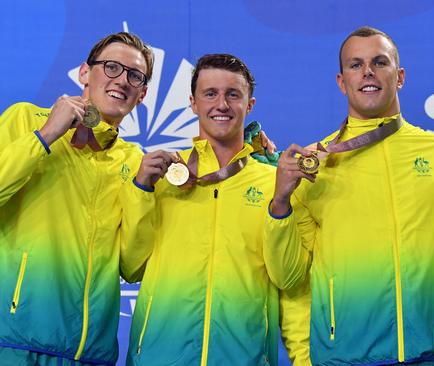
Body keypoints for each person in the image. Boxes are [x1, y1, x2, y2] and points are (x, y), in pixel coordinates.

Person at [264, 26, 434, 365]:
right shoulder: (314, 164)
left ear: (400, 77)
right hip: (341, 357)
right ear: (342, 81)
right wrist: (280, 204)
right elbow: (289, 279)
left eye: (379, 62)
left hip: (427, 355)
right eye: (355, 65)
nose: (367, 72)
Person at [122, 53, 310, 366]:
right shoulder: (163, 176)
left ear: (249, 105)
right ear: (193, 103)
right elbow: (130, 267)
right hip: (158, 357)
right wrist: (142, 190)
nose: (221, 104)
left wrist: (280, 205)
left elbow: (288, 278)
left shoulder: (275, 182)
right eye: (210, 94)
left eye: (232, 94)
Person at [0, 32, 153, 365]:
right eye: (111, 67)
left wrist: (142, 189)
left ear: (142, 94)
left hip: (91, 354)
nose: (122, 80)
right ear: (85, 73)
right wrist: (45, 137)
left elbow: (133, 266)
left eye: (135, 76)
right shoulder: (25, 119)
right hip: (13, 343)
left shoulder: (135, 161)